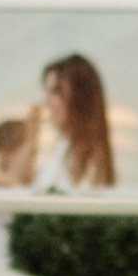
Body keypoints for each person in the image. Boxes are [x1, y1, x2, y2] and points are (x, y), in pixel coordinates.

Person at [37, 53, 116, 193]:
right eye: (47, 92)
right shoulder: (62, 148)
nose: (47, 102)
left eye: (55, 92)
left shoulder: (93, 160)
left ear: (79, 97)